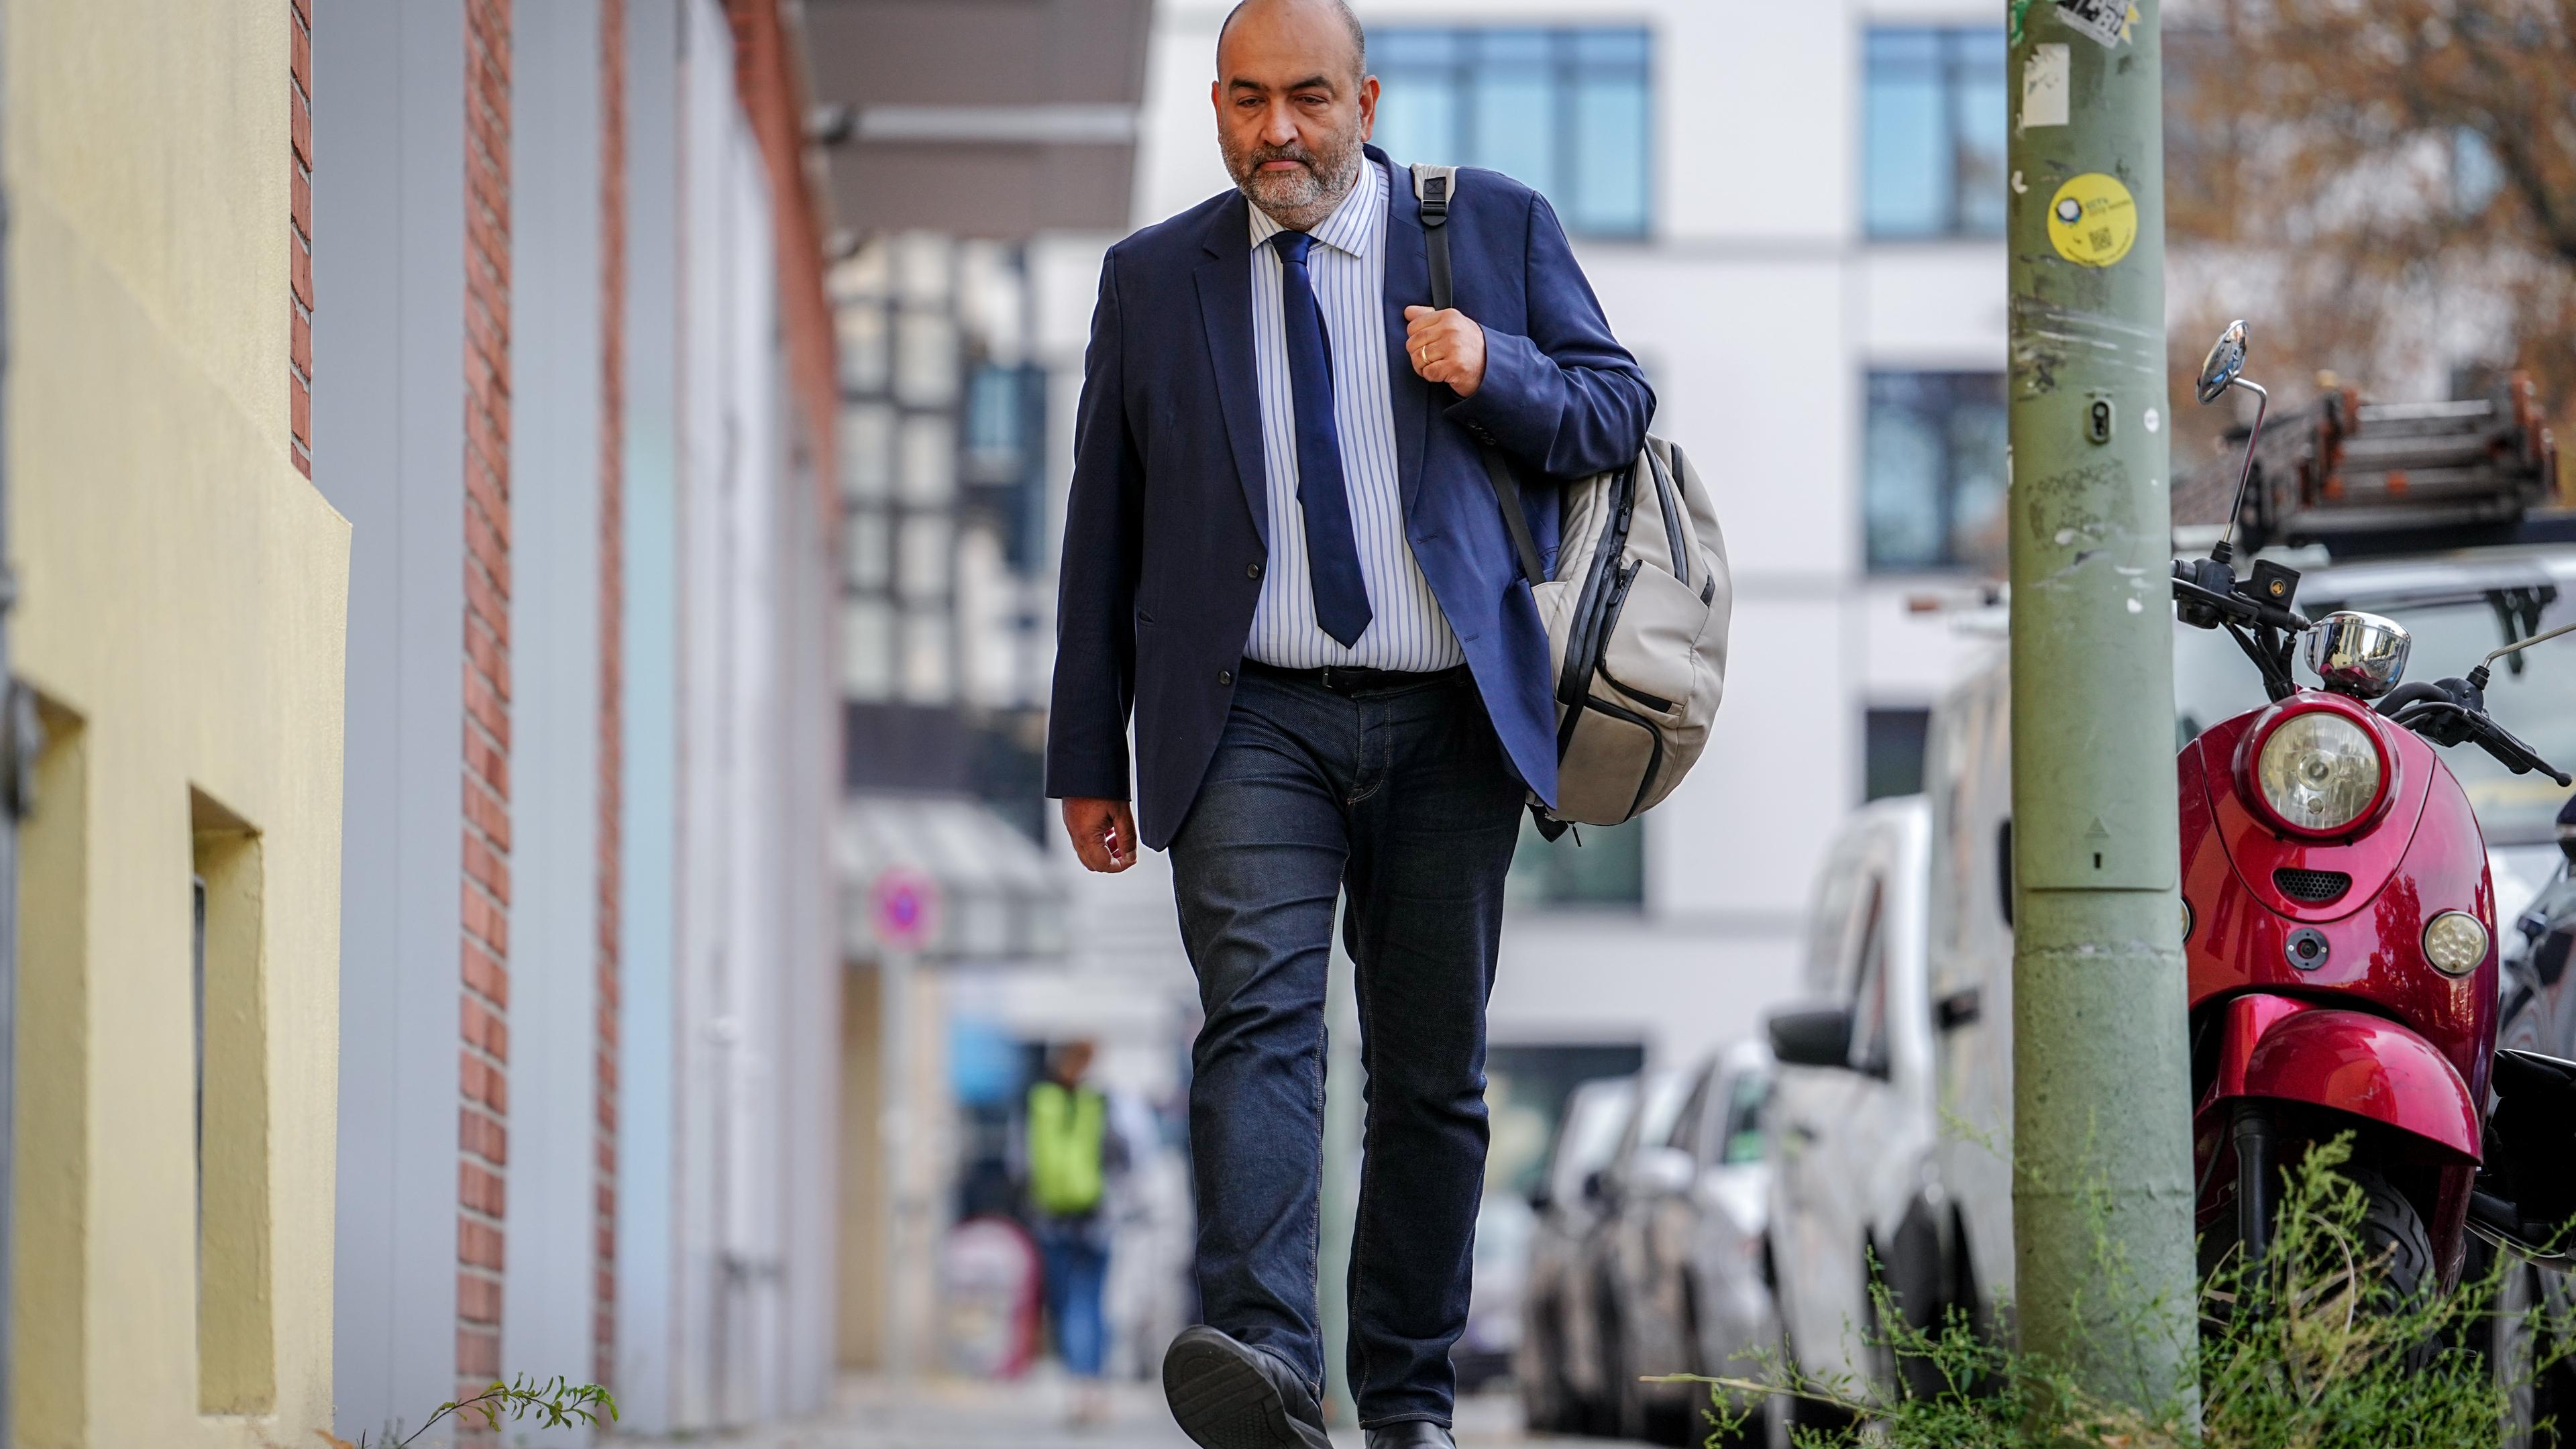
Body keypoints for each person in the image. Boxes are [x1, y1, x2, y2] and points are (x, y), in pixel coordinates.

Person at [1044, 0, 1651, 1443]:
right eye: (1247, 101)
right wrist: (1087, 756)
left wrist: (1487, 367)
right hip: (1248, 716)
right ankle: (1263, 1360)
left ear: (1365, 98)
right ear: (1216, 108)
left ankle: (1410, 1399)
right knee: (1257, 1028)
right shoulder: (1154, 279)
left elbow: (1615, 411)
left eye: (1307, 97)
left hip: (1449, 719)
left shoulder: (1489, 229)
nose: (1278, 131)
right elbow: (1101, 533)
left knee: (1432, 1075)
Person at [1026, 1040, 1120, 1426]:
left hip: (1052, 1217)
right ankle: (1092, 1387)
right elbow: (1127, 1156)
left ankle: (1076, 1388)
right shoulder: (1101, 1102)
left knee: (1067, 1306)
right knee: (1093, 1304)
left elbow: (1022, 1161)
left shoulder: (1038, 1101)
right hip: (1095, 1217)